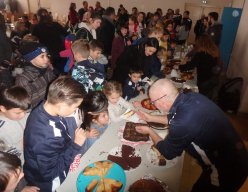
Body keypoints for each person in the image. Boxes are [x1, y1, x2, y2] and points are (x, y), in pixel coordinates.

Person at [135, 78, 248, 192]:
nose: (154, 105)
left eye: (153, 102)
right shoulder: (190, 96)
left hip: (227, 170)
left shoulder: (182, 122)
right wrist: (150, 118)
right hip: (236, 153)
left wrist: (150, 131)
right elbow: (175, 117)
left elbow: (168, 152)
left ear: (162, 101)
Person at [23, 76, 87, 192]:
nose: (75, 110)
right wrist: (76, 145)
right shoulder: (46, 138)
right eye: (75, 107)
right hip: (50, 182)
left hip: (44, 161)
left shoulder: (42, 107)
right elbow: (50, 173)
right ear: (61, 105)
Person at [15, 41, 56, 108]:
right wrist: (51, 89)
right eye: (42, 56)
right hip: (37, 111)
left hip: (51, 105)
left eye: (47, 55)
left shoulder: (47, 69)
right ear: (31, 59)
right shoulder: (23, 79)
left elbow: (53, 80)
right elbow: (26, 103)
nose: (47, 59)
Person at [179, 34, 221, 99]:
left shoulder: (200, 54)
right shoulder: (214, 51)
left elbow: (191, 66)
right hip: (213, 78)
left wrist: (180, 66)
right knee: (208, 97)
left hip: (204, 80)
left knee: (202, 97)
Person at [0, 86, 30, 164]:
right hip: (23, 162)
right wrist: (22, 143)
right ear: (3, 109)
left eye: (25, 111)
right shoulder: (2, 130)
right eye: (18, 113)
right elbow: (6, 155)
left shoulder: (19, 113)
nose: (23, 115)